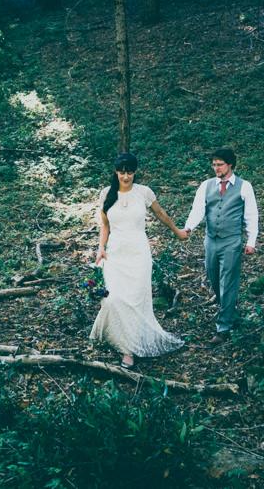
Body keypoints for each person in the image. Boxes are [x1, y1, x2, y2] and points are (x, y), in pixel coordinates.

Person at [89, 153, 187, 368]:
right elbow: (104, 225)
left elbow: (160, 213)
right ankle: (118, 338)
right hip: (115, 254)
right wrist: (101, 248)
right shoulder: (107, 193)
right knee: (114, 298)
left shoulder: (143, 192)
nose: (126, 176)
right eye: (122, 172)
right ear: (116, 172)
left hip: (138, 254)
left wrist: (177, 231)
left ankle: (128, 350)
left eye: (130, 172)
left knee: (135, 300)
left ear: (135, 172)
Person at [183, 147, 259, 345]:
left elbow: (251, 215)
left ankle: (223, 326)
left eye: (220, 164)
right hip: (211, 240)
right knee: (213, 276)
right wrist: (188, 228)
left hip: (231, 241)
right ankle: (229, 306)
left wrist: (251, 241)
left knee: (228, 281)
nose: (216, 168)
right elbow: (197, 209)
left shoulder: (244, 186)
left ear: (230, 165)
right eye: (214, 164)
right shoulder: (206, 185)